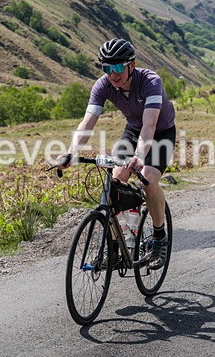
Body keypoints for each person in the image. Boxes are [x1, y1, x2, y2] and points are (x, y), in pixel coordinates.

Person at [58, 38, 176, 270]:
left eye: (118, 67)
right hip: (132, 130)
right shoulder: (103, 85)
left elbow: (150, 125)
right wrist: (70, 153)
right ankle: (114, 248)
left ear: (131, 65)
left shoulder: (150, 81)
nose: (113, 74)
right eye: (107, 68)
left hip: (160, 132)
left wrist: (140, 156)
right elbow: (87, 123)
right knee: (113, 183)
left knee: (148, 180)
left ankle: (159, 237)